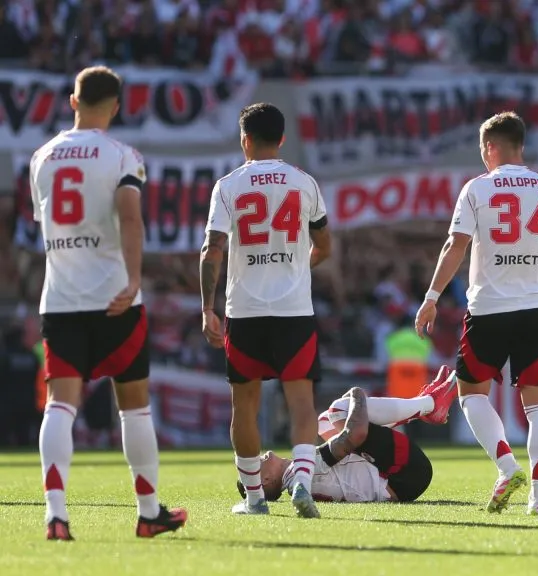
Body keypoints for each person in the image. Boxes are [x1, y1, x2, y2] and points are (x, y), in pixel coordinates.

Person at [29, 66, 187, 540]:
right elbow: (130, 219)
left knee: (60, 404)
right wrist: (135, 278)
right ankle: (148, 511)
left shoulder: (42, 157)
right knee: (134, 406)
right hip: (116, 296)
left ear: (73, 101)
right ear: (116, 106)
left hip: (60, 296)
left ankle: (55, 514)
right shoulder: (122, 156)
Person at [414, 111, 538, 515]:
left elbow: (455, 245)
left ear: (490, 147)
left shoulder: (477, 188)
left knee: (469, 394)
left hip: (488, 309)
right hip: (537, 309)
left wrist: (432, 296)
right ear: (520, 145)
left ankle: (507, 467)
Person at [200, 102, 332, 519]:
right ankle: (302, 484)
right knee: (302, 404)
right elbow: (325, 246)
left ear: (245, 141)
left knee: (245, 406)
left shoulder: (228, 185)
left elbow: (212, 250)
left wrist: (208, 307)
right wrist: (297, 267)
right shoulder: (305, 183)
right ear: (282, 139)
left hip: (246, 310)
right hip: (294, 309)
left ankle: (256, 499)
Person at [242, 368, 458, 504]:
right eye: (255, 466)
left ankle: (424, 406)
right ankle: (428, 404)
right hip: (404, 474)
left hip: (397, 480)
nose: (257, 457)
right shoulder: (298, 472)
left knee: (325, 422)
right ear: (266, 480)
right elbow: (355, 434)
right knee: (339, 411)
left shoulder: (296, 478)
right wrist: (357, 393)